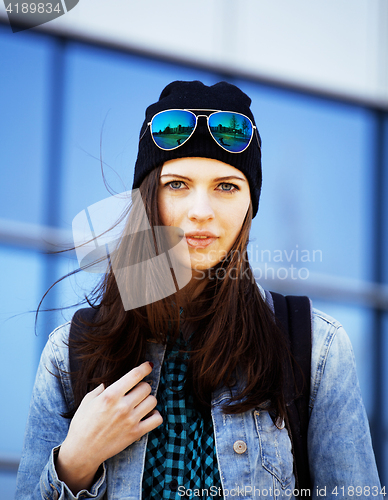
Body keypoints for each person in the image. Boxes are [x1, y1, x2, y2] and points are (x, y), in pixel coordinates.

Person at [15, 80, 382, 499]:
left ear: (250, 205)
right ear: (147, 200)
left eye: (226, 186)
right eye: (177, 185)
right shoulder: (70, 354)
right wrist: (75, 463)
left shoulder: (316, 349)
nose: (201, 212)